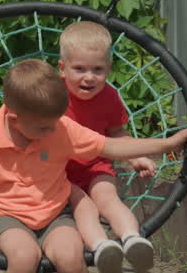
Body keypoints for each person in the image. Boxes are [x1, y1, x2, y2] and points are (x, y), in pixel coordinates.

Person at [0, 58, 187, 273]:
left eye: (55, 123)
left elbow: (111, 146)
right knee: (24, 257)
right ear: (13, 119)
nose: (52, 131)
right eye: (43, 128)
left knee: (71, 257)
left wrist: (167, 144)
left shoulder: (60, 128)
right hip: (8, 217)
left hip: (56, 215)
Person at [57, 21, 159, 273]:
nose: (89, 77)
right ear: (62, 68)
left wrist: (136, 158)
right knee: (85, 207)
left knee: (108, 199)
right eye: (79, 69)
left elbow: (117, 134)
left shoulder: (110, 96)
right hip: (60, 172)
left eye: (97, 69)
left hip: (96, 164)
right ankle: (102, 247)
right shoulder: (53, 95)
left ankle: (133, 239)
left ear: (108, 69)